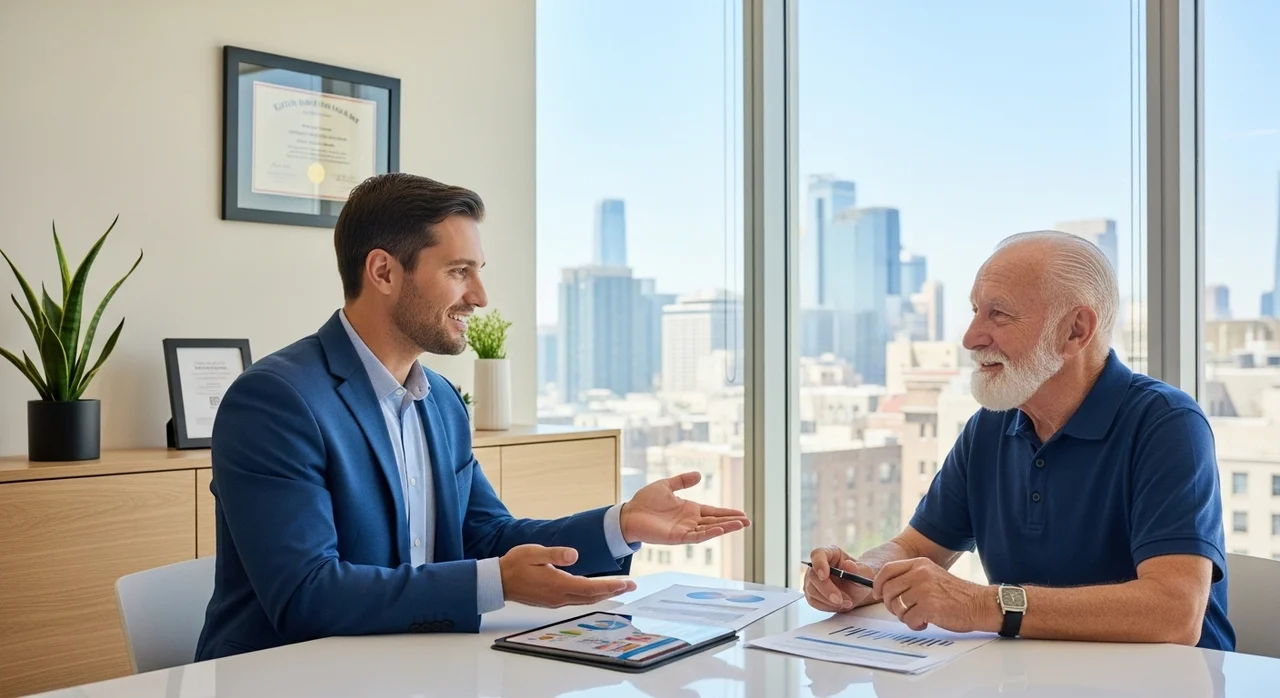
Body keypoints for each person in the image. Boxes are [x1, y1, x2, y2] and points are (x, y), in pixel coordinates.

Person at [195, 173, 750, 660]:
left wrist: (620, 523)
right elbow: (306, 595)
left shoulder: (440, 400)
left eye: (478, 272)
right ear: (384, 272)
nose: (480, 296)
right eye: (460, 271)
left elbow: (487, 535)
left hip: (414, 669)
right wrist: (494, 582)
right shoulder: (275, 400)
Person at [804, 230, 1234, 651]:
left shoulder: (1167, 424)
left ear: (1075, 331)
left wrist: (982, 605)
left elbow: (1175, 612)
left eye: (998, 314)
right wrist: (865, 576)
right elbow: (915, 547)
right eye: (974, 311)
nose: (971, 338)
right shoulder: (989, 427)